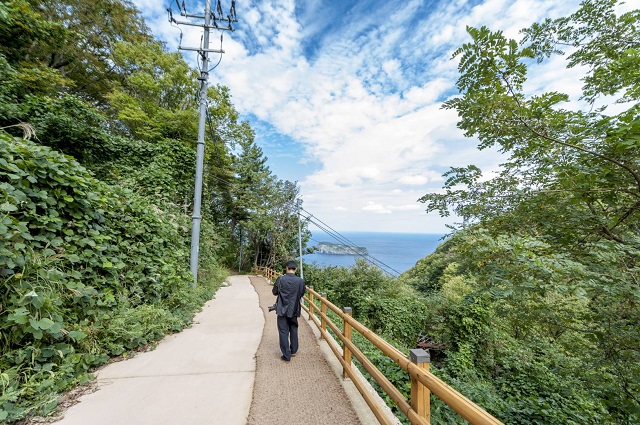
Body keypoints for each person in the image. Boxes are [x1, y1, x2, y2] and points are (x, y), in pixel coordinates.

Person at [272, 260, 306, 361]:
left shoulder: (281, 279)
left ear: (287, 268)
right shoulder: (300, 281)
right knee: (294, 329)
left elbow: (275, 292)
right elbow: (301, 293)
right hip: (294, 309)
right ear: (296, 269)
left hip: (282, 309)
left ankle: (286, 355)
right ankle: (293, 350)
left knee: (283, 331)